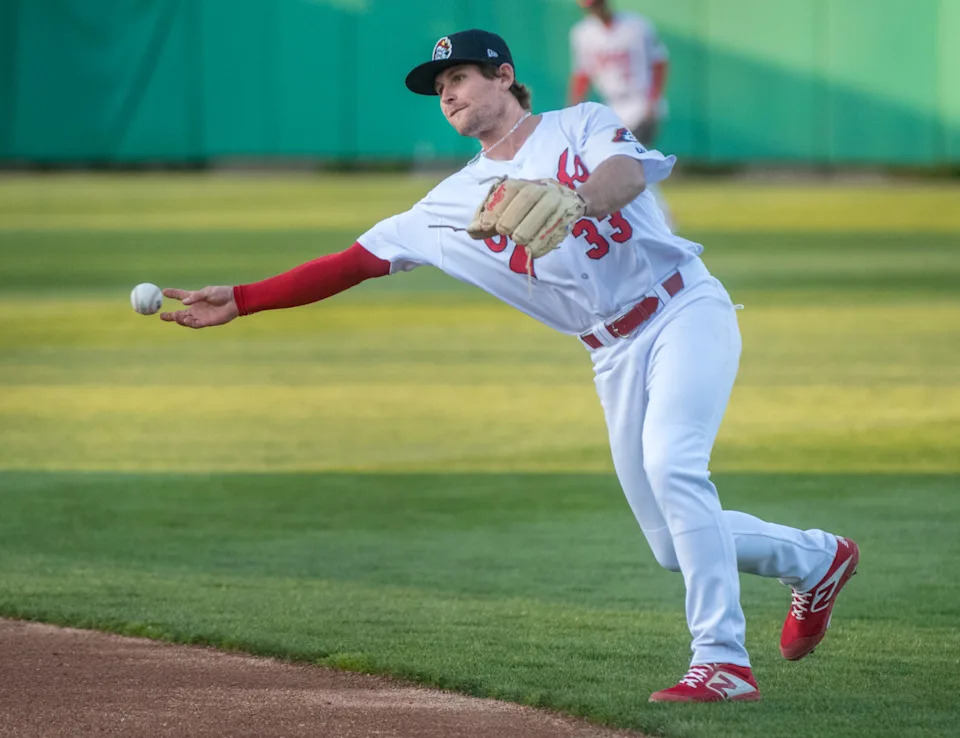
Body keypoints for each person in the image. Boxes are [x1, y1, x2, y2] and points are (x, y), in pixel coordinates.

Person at [159, 29, 859, 703]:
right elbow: (352, 263)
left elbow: (624, 174)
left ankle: (721, 661)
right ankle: (817, 560)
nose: (447, 94)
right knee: (672, 545)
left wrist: (576, 200)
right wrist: (244, 299)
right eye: (438, 87)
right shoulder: (445, 206)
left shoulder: (578, 125)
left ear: (503, 76)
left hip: (682, 310)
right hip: (609, 353)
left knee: (675, 467)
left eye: (458, 76)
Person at [568, 0, 672, 222]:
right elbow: (582, 73)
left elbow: (659, 62)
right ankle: (652, 217)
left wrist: (653, 101)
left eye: (596, 4)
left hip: (640, 101)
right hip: (613, 106)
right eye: (589, 6)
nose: (594, 9)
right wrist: (574, 108)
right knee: (623, 163)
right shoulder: (583, 34)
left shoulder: (636, 25)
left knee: (633, 162)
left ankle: (661, 218)